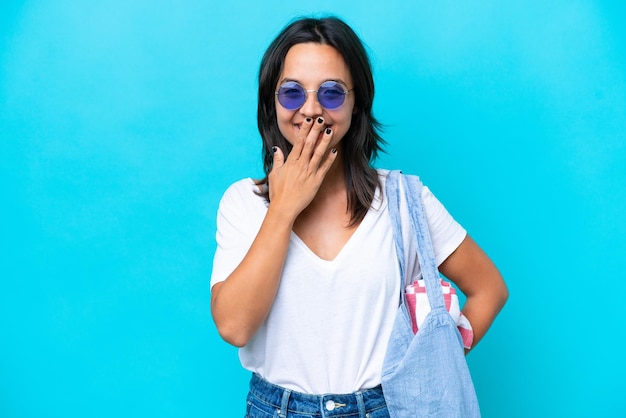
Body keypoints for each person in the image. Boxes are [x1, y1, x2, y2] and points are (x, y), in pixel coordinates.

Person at [210, 15, 508, 417]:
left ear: (356, 103)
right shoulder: (243, 202)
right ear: (271, 103)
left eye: (331, 93)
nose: (311, 110)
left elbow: (489, 288)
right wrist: (283, 208)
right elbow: (234, 326)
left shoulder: (405, 201)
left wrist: (430, 367)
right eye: (292, 93)